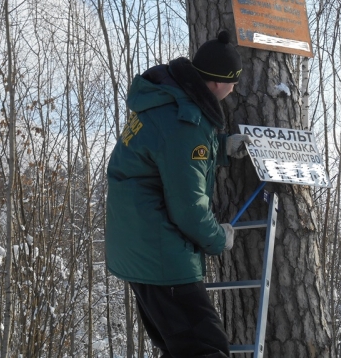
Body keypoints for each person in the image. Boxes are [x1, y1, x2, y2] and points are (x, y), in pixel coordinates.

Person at [105, 30, 251, 357]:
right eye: (234, 82)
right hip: (161, 256)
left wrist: (221, 149)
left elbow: (166, 157)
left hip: (138, 247)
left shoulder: (165, 103)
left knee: (178, 348)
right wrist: (217, 238)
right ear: (217, 83)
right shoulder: (187, 123)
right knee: (205, 349)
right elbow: (188, 208)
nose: (234, 90)